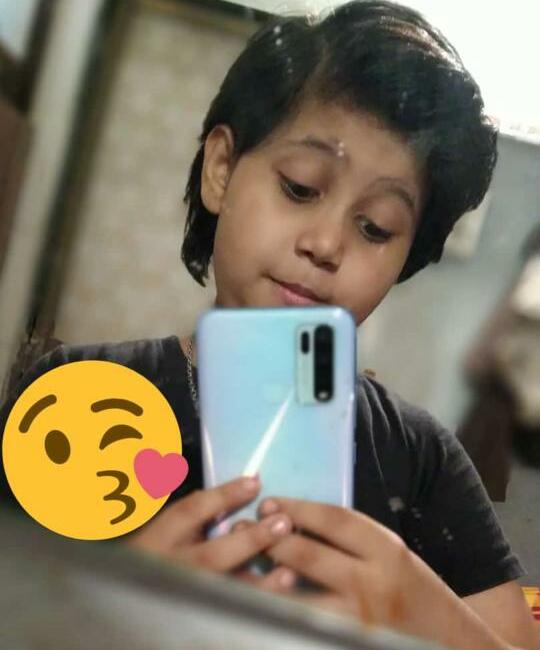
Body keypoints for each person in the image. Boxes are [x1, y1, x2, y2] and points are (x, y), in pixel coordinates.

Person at [0, 1, 538, 648]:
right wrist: (115, 608)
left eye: (375, 228)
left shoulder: (422, 456)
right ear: (221, 170)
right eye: (300, 188)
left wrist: (416, 608)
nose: (326, 244)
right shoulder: (77, 392)